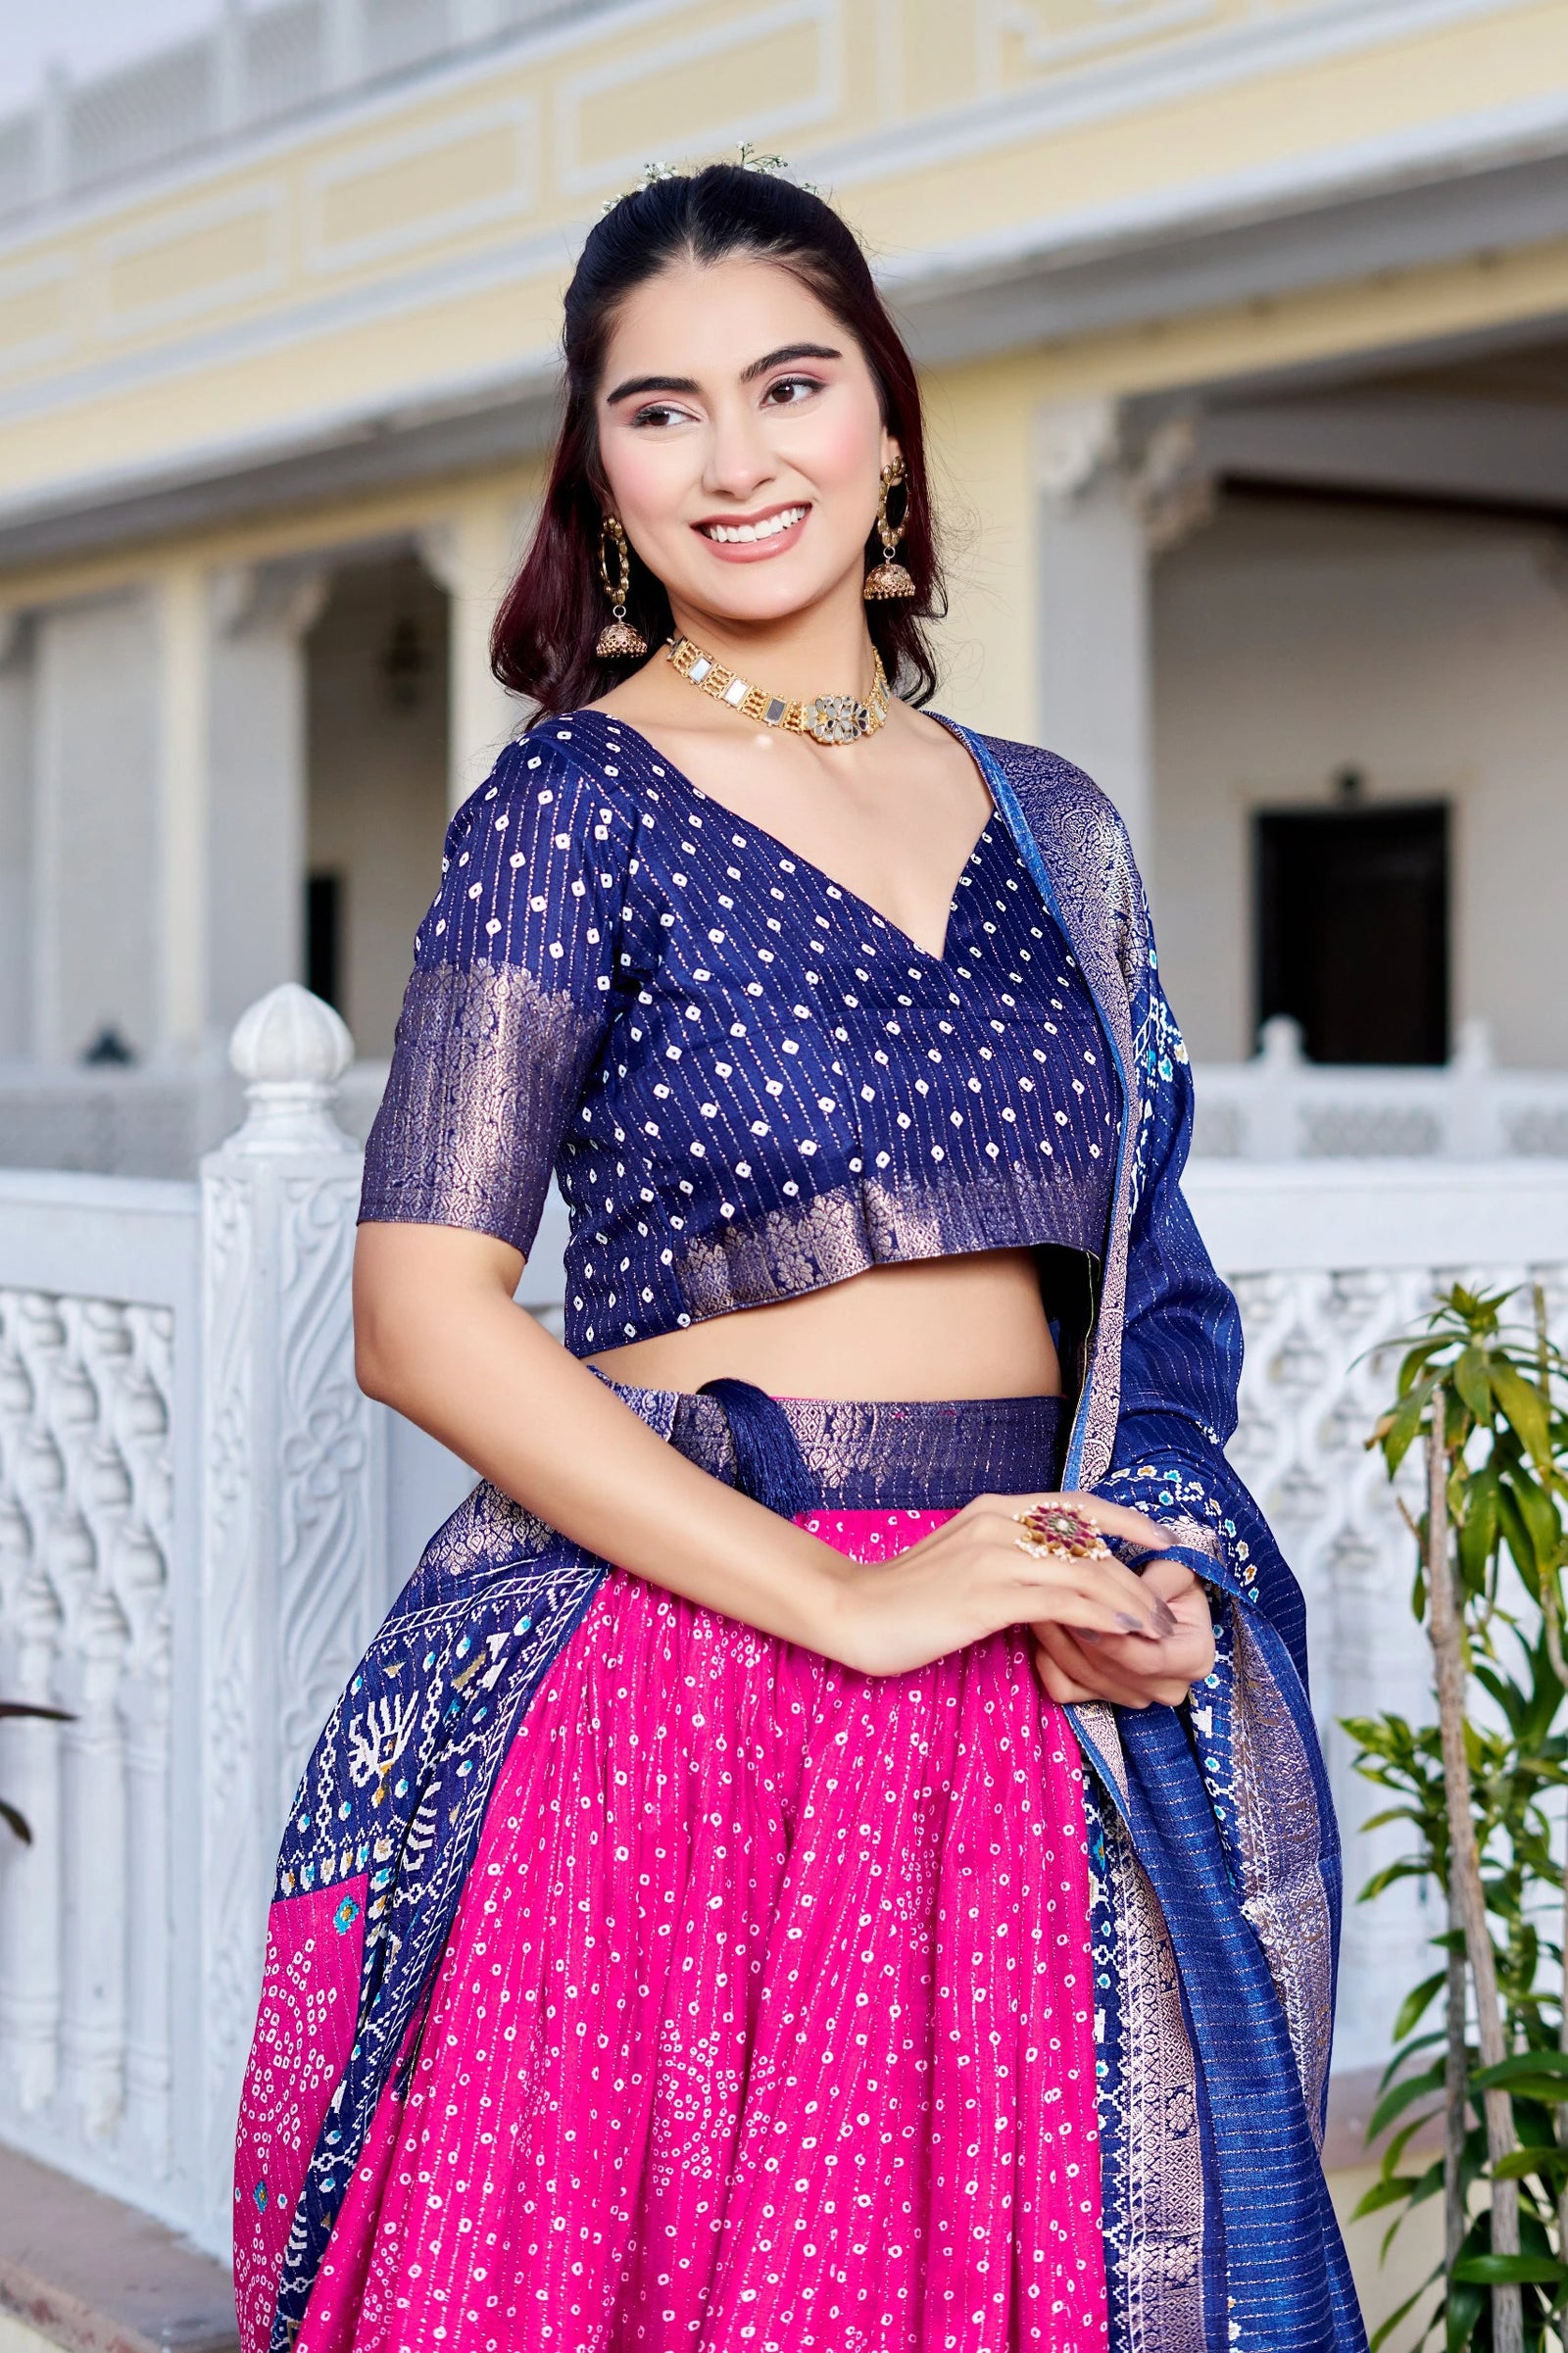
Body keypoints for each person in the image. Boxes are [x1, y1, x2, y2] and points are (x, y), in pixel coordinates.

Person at [233, 162, 1365, 2353]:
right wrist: (847, 1596)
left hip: (1012, 1669)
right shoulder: (574, 805)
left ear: (885, 423)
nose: (735, 460)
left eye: (787, 384)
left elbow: (1147, 1300)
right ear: (599, 472)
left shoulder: (1057, 828)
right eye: (660, 412)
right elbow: (416, 1306)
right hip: (693, 1669)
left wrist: (1131, 1568)